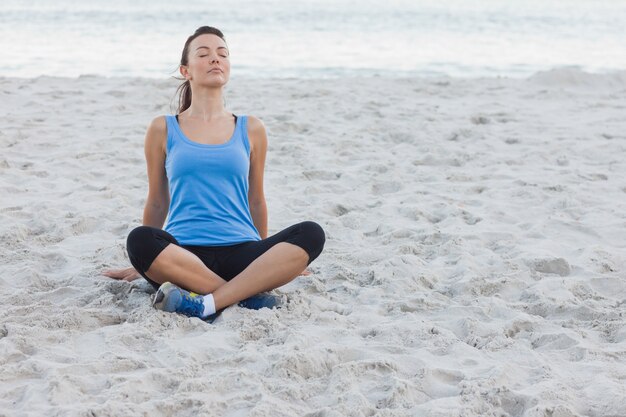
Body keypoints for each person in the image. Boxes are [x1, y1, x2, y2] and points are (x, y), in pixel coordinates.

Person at [102, 26, 325, 321]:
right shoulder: (163, 128)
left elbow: (256, 199)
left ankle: (206, 303)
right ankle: (244, 297)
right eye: (204, 54)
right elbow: (157, 201)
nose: (215, 59)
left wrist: (267, 258)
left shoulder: (251, 128)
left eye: (222, 54)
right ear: (186, 70)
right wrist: (142, 264)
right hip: (185, 256)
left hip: (243, 253)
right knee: (139, 240)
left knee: (311, 233)